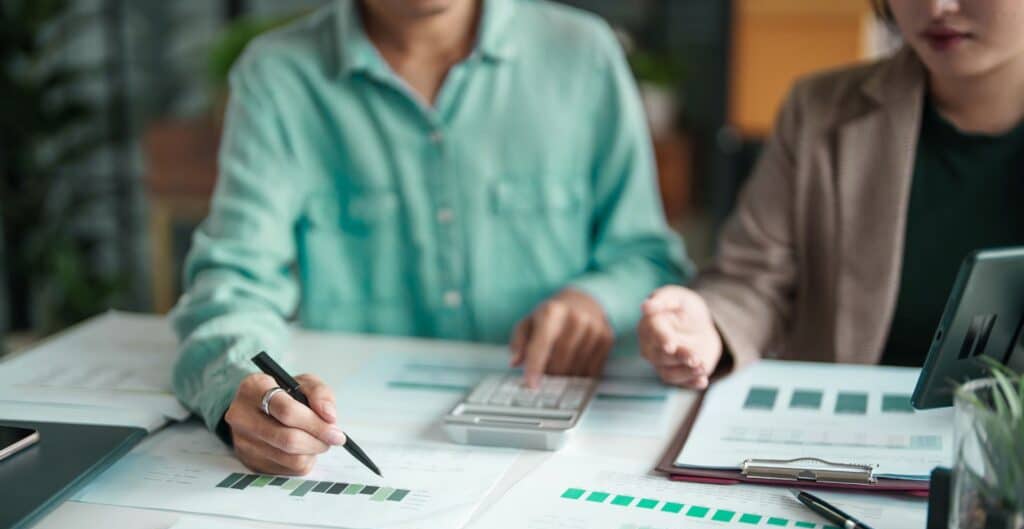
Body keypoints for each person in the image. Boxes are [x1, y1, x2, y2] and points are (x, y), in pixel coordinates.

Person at [172, 0, 689, 475]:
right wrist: (243, 384)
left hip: (566, 446)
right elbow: (235, 282)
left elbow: (647, 257)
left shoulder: (583, 53)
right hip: (362, 442)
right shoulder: (277, 73)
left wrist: (594, 302)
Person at [639, 0, 1024, 388]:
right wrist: (709, 325)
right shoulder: (819, 110)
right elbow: (753, 280)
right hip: (847, 431)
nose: (938, 6)